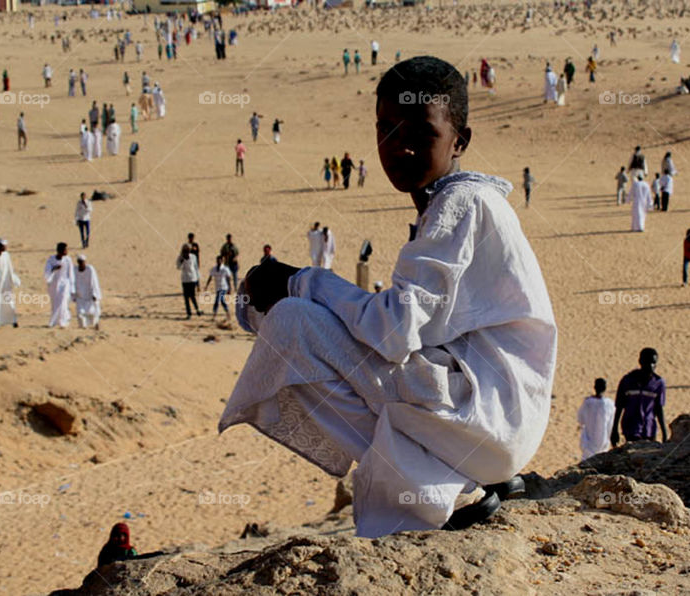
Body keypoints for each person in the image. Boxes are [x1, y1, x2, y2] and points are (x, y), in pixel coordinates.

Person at [220, 56, 556, 538]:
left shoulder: (463, 203)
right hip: (492, 425)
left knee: (294, 324)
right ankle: (441, 481)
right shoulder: (451, 203)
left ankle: (452, 488)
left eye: (419, 133)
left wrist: (302, 282)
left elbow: (395, 330)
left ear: (459, 140)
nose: (399, 148)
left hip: (489, 421)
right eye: (386, 130)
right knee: (302, 319)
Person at [610, 348, 668, 446]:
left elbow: (659, 408)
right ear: (640, 361)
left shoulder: (658, 383)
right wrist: (614, 429)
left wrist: (664, 432)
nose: (651, 366)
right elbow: (619, 406)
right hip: (630, 427)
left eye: (653, 363)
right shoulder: (627, 381)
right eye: (647, 362)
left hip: (649, 429)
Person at [0, 239, 21, 329]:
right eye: (3, 246)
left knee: (8, 301)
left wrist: (13, 279)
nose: (5, 247)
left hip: (6, 283)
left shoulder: (6, 255)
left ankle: (13, 320)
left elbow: (10, 269)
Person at [577, 378, 615, 461]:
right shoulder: (610, 404)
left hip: (588, 443)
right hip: (603, 442)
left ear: (595, 387)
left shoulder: (588, 403)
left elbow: (580, 419)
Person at [44, 243, 75, 329]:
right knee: (55, 303)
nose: (67, 251)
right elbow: (46, 273)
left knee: (63, 301)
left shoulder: (68, 260)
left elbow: (71, 274)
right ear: (60, 251)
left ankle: (63, 321)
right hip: (54, 284)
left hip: (65, 284)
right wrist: (54, 269)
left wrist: (72, 288)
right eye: (65, 250)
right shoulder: (51, 260)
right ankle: (54, 321)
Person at [73, 255, 102, 329]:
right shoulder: (74, 270)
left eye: (82, 262)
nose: (81, 264)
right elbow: (72, 282)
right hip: (80, 295)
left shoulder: (90, 269)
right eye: (80, 262)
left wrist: (95, 294)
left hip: (90, 294)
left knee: (92, 312)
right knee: (80, 313)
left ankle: (95, 324)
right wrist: (73, 295)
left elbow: (94, 282)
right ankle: (83, 327)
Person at [177, 243, 202, 319]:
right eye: (185, 250)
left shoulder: (193, 257)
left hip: (192, 279)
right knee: (186, 297)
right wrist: (182, 260)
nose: (186, 252)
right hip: (185, 280)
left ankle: (197, 309)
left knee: (192, 296)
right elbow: (179, 267)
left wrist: (198, 282)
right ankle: (189, 313)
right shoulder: (180, 258)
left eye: (188, 250)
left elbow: (196, 269)